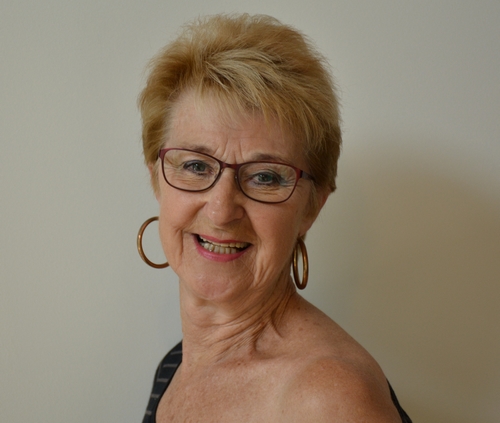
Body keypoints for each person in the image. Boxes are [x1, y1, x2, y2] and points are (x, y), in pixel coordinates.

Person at [136, 13, 412, 423]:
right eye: (195, 166)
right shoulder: (174, 366)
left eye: (264, 177)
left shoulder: (327, 398)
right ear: (157, 178)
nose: (221, 210)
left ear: (312, 206)